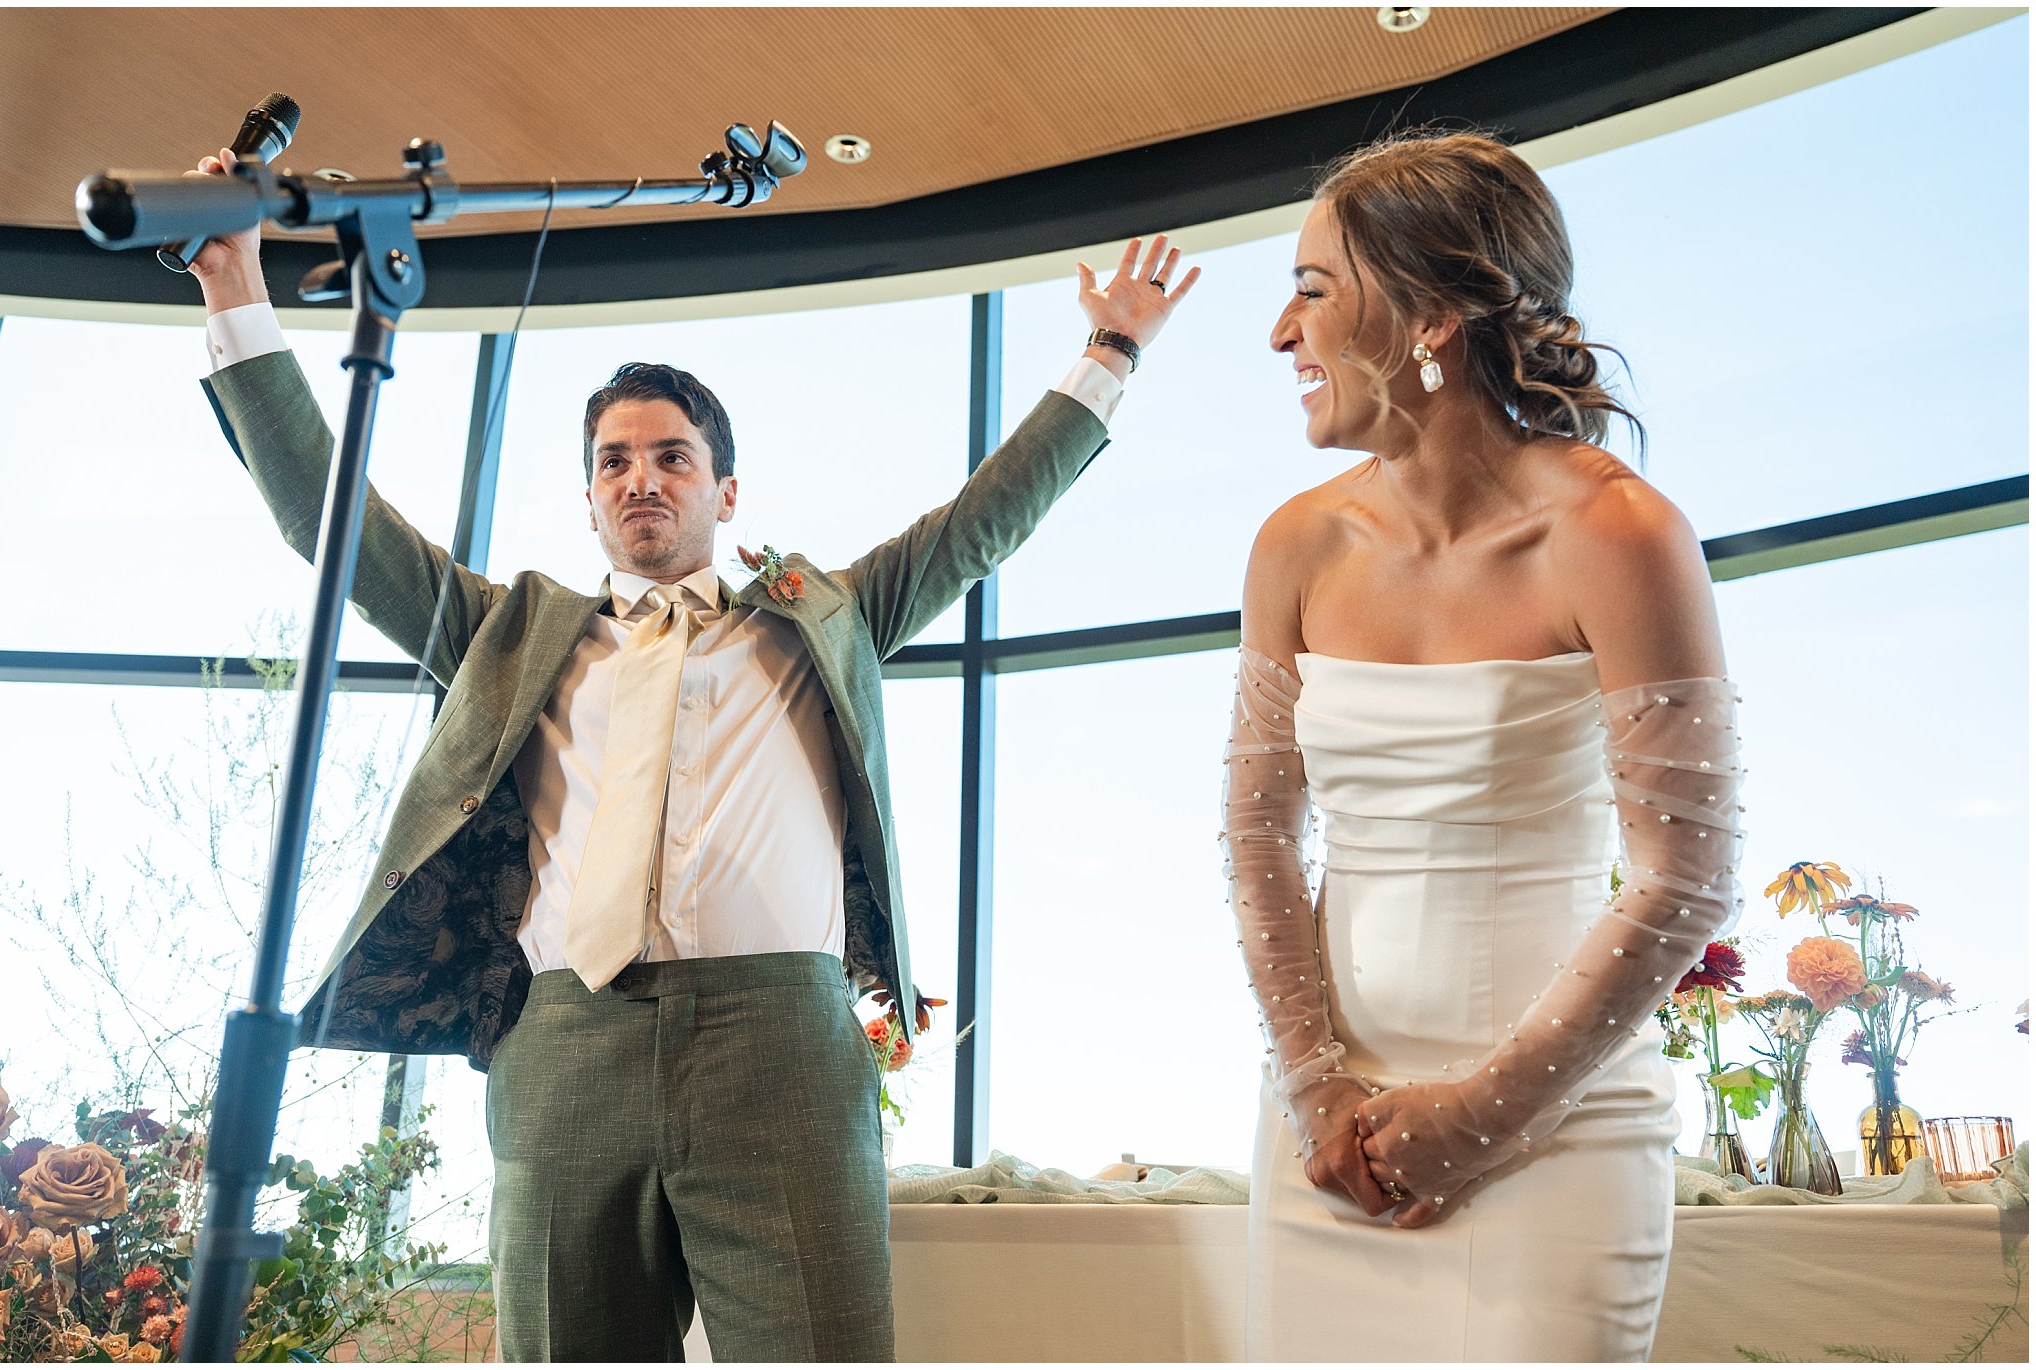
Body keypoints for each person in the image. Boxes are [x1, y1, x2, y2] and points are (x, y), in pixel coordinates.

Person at [183, 146, 1199, 1361]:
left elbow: (980, 522)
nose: (640, 477)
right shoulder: (508, 632)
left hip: (779, 1046)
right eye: (613, 460)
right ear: (589, 500)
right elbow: (329, 521)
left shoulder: (827, 613)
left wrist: (1109, 353)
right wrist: (235, 288)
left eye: (670, 455)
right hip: (562, 1043)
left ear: (725, 487)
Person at [1221, 130, 1744, 1361]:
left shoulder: (1619, 535)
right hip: (1324, 1142)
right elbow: (1254, 830)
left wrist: (1476, 1116)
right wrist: (1313, 1085)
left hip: (1556, 1135)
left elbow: (1684, 878)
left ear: (1428, 317)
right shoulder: (1291, 545)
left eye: (1310, 288)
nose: (1280, 333)